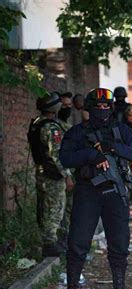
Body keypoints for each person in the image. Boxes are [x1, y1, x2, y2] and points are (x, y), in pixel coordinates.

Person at [59, 88, 132, 289]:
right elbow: (65, 158)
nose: (103, 110)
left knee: (119, 244)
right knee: (78, 243)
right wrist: (90, 155)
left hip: (115, 193)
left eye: (106, 106)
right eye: (98, 106)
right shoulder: (77, 133)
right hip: (88, 192)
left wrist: (113, 147)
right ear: (89, 108)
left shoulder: (120, 131)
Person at [27, 92, 67, 257]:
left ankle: (48, 240)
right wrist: (67, 175)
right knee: (55, 207)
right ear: (54, 107)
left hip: (40, 170)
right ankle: (49, 243)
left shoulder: (36, 123)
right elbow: (56, 154)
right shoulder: (51, 127)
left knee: (43, 206)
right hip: (52, 173)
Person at [57, 92, 75, 249]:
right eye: (64, 105)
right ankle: (62, 243)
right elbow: (58, 154)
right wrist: (67, 176)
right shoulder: (55, 127)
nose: (67, 108)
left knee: (71, 209)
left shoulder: (67, 126)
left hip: (72, 173)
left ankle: (69, 242)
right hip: (61, 175)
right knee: (60, 211)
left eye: (69, 105)